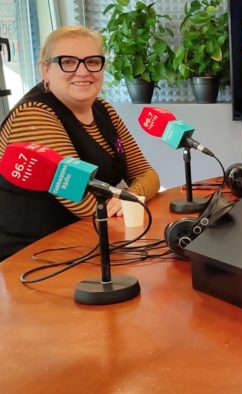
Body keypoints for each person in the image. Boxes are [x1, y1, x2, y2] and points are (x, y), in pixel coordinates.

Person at [0, 25, 160, 261]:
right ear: (46, 69)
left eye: (93, 62)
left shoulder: (104, 109)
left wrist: (132, 196)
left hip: (85, 243)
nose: (83, 72)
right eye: (68, 62)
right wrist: (128, 200)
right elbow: (85, 202)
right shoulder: (33, 114)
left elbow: (148, 174)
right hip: (31, 258)